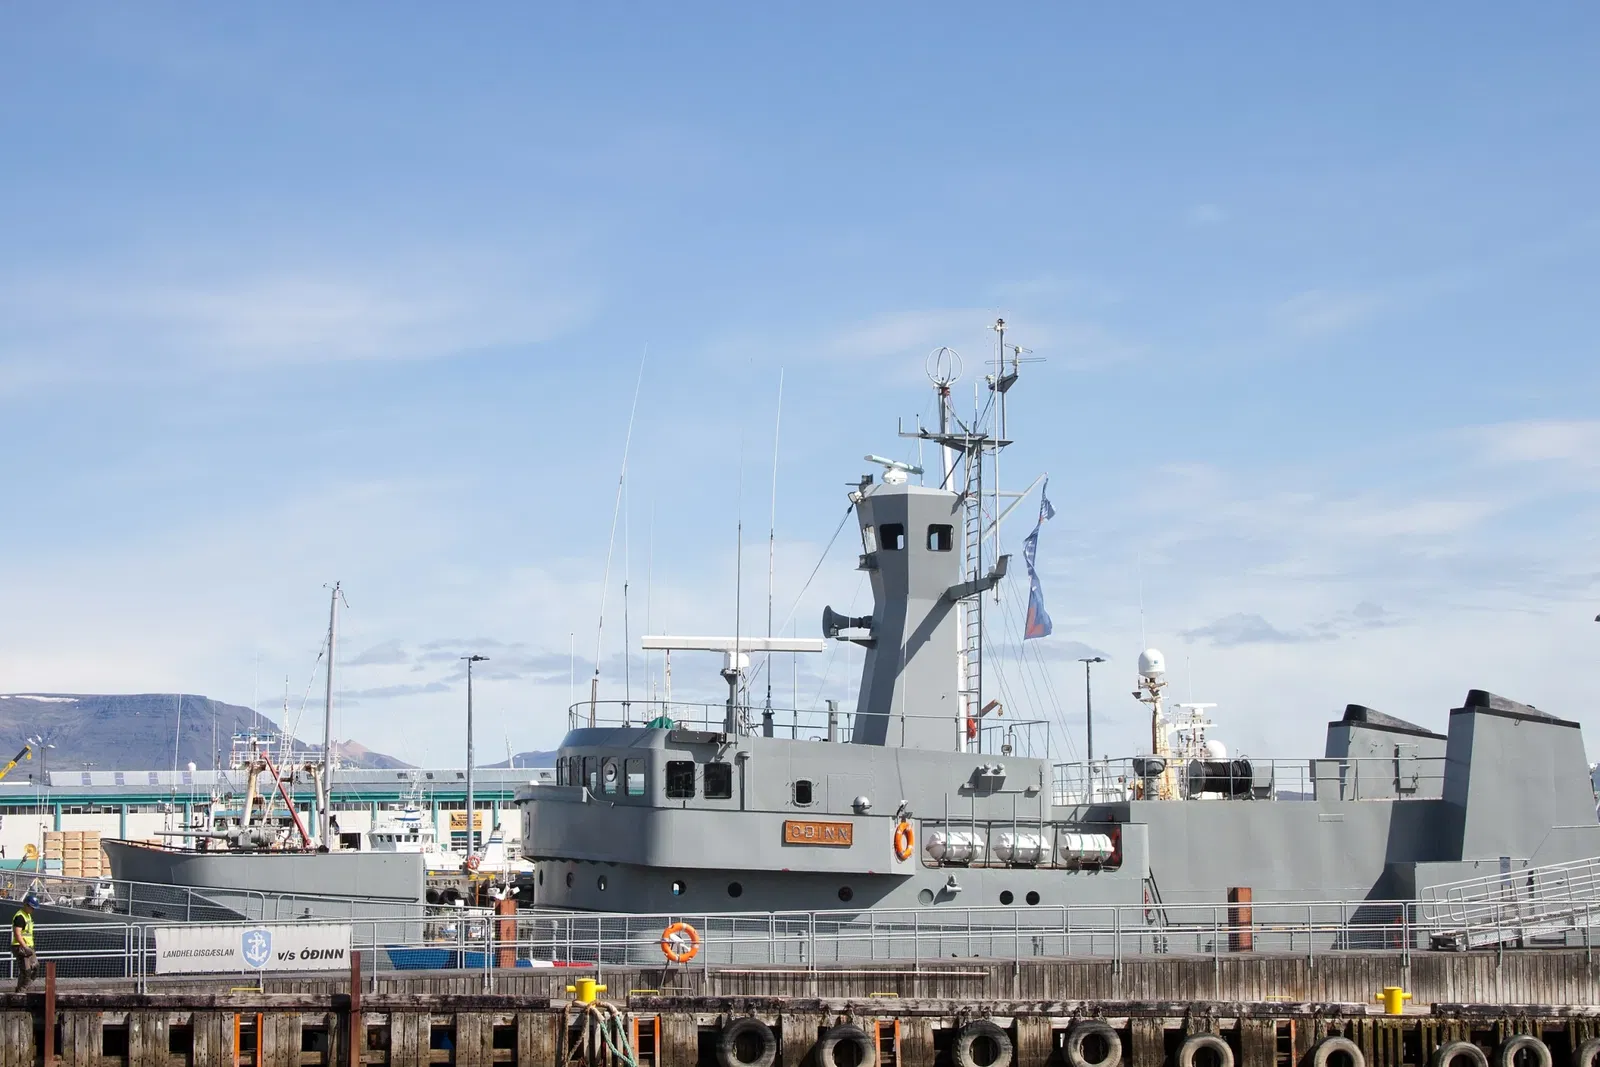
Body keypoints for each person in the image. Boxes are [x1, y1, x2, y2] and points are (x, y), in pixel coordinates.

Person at [11, 893, 38, 992]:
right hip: (21, 947)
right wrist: (25, 947)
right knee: (26, 971)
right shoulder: (20, 917)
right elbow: (17, 934)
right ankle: (21, 992)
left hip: (28, 947)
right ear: (26, 905)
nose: (33, 910)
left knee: (35, 968)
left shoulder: (28, 916)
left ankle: (22, 988)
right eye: (32, 907)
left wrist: (29, 947)